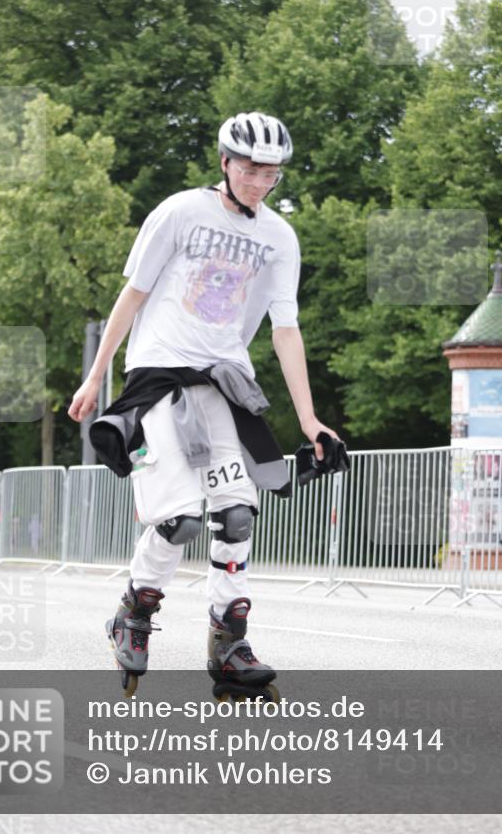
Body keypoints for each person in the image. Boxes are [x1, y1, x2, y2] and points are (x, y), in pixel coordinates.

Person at [68, 111, 342, 698]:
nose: (259, 181)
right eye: (249, 168)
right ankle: (134, 612)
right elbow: (133, 294)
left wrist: (310, 418)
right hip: (160, 376)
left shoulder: (279, 238)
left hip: (224, 380)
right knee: (180, 518)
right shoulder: (179, 211)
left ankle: (230, 641)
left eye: (270, 173)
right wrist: (96, 378)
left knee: (237, 514)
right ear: (224, 163)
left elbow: (285, 330)